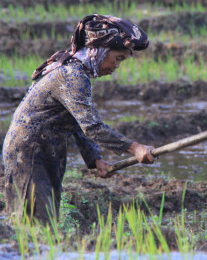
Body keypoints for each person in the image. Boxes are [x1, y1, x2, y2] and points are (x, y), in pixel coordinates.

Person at [2, 14, 155, 224]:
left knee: (45, 222)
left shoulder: (75, 72)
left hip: (44, 153)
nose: (118, 65)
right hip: (29, 154)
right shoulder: (72, 76)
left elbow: (78, 123)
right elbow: (92, 127)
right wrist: (134, 148)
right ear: (100, 50)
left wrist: (95, 159)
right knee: (34, 225)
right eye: (118, 58)